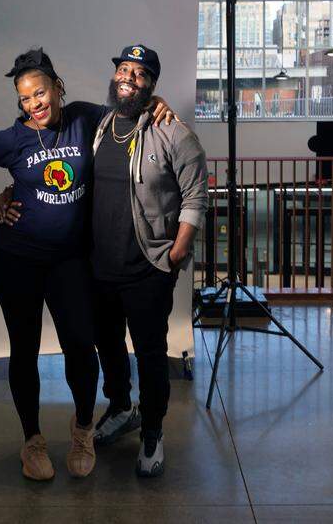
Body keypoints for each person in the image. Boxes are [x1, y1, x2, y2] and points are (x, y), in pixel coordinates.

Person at [0, 48, 175, 482]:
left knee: (80, 345)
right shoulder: (14, 139)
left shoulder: (83, 117)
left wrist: (154, 103)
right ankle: (32, 440)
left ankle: (81, 429)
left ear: (57, 89)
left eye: (40, 93)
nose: (34, 104)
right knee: (25, 349)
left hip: (70, 260)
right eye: (25, 99)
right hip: (16, 259)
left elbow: (123, 105)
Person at [89, 44, 208, 478]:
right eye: (123, 69)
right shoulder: (99, 124)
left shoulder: (176, 134)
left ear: (152, 85)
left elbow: (196, 197)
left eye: (139, 74)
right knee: (108, 346)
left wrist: (175, 254)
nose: (128, 78)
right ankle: (121, 407)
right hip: (100, 267)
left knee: (152, 354)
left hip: (147, 268)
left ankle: (153, 431)